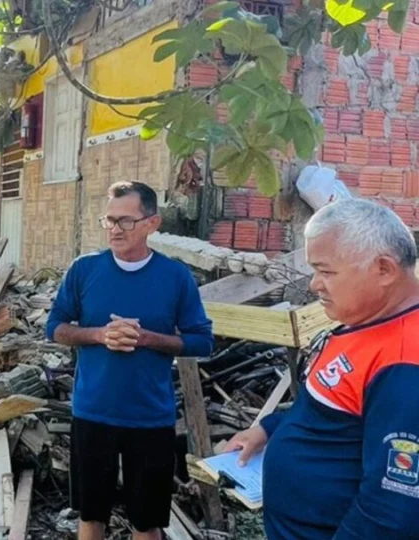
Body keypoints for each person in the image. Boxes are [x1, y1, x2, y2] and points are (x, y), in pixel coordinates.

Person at [227, 198, 419, 539]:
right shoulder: (363, 320)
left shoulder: (406, 363)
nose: (314, 284)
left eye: (326, 271)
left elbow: (392, 509)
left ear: (384, 270)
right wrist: (269, 428)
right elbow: (331, 407)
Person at [46, 181, 214, 540]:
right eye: (109, 221)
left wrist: (147, 339)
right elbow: (55, 327)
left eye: (125, 221)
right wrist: (99, 335)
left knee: (146, 522)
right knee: (91, 518)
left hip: (150, 419)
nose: (115, 230)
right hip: (92, 413)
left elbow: (203, 340)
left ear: (152, 223)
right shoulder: (85, 269)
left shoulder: (176, 277)